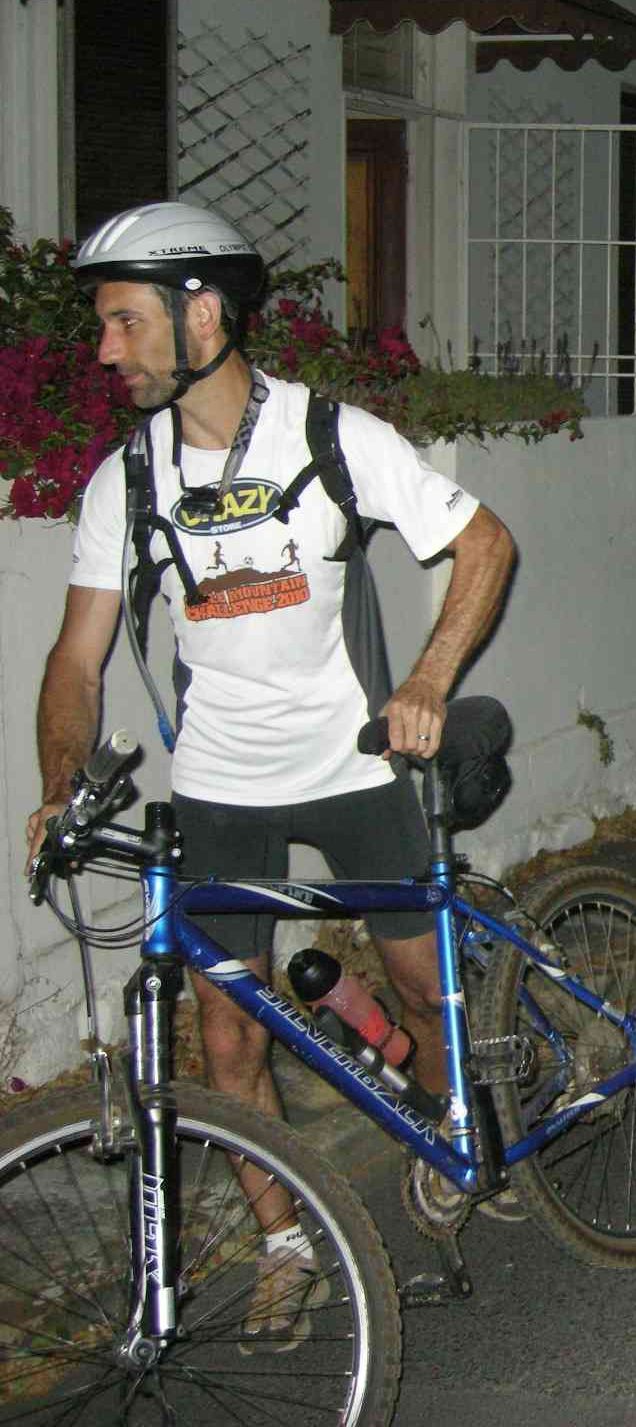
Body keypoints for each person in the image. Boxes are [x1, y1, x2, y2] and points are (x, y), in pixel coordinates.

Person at [23, 200, 517, 1348]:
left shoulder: (331, 435)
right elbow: (75, 660)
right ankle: (286, 1247)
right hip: (220, 783)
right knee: (229, 1039)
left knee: (421, 992)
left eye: (124, 321)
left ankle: (455, 1127)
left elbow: (484, 543)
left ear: (203, 316)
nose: (105, 349)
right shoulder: (126, 479)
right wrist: (59, 782)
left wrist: (428, 681)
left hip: (355, 764)